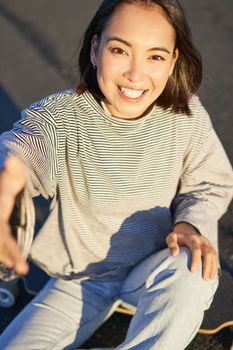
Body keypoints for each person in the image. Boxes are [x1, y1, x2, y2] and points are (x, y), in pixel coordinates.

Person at [0, 0, 232, 349]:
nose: (135, 75)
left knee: (193, 267)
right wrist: (8, 176)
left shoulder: (186, 114)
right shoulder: (61, 119)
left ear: (173, 61)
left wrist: (189, 226)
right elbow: (24, 147)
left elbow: (210, 183)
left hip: (155, 271)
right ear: (95, 49)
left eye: (155, 56)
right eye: (120, 50)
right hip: (82, 281)